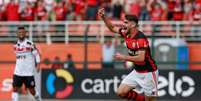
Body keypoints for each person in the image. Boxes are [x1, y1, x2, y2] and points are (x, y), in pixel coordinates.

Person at [98, 8, 159, 101]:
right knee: (121, 92)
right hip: (137, 72)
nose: (123, 24)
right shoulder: (126, 33)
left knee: (150, 100)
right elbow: (112, 28)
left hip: (149, 72)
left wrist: (123, 57)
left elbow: (141, 58)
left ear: (133, 24)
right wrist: (103, 17)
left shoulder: (140, 38)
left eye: (126, 22)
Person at [12, 26, 42, 101]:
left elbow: (37, 54)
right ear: (17, 34)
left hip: (28, 72)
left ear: (26, 33)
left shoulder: (30, 44)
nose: (21, 34)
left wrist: (38, 65)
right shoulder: (15, 45)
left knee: (32, 91)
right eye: (19, 32)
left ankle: (39, 99)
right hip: (18, 72)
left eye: (23, 32)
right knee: (15, 88)